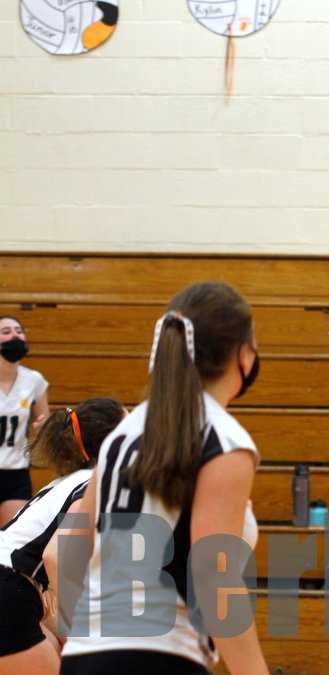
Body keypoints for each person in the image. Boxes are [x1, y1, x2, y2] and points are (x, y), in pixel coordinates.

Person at [59, 282, 269, 675]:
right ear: (242, 354)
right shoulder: (223, 439)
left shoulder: (122, 434)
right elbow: (213, 576)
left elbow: (66, 549)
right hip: (161, 655)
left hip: (81, 657)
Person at [0, 398, 123, 674]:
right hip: (9, 588)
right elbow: (56, 557)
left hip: (16, 591)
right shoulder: (96, 484)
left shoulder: (66, 482)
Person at [0, 316, 50, 527]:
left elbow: (44, 422)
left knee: (10, 537)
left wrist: (42, 427)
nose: (15, 335)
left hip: (16, 473)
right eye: (6, 331)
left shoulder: (34, 380)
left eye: (19, 331)